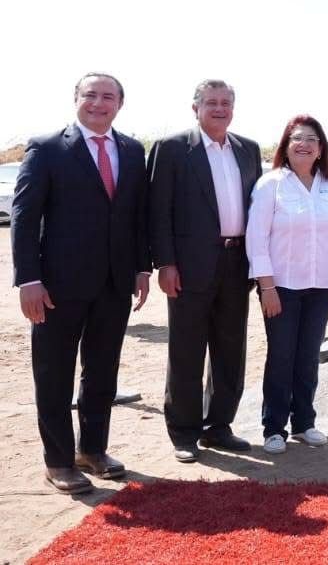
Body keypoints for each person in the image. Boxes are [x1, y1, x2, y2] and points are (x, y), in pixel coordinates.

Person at [11, 73, 150, 493]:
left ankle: (92, 450)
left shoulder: (131, 150)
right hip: (56, 286)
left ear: (119, 105)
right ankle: (58, 461)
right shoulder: (48, 148)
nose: (98, 102)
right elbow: (24, 216)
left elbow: (136, 216)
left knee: (102, 371)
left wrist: (142, 268)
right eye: (90, 94)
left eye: (108, 96)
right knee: (54, 374)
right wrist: (28, 279)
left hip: (113, 283)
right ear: (76, 99)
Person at [147, 79, 262, 462]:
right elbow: (158, 211)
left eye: (226, 102)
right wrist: (165, 263)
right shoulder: (173, 149)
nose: (219, 108)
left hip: (236, 263)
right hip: (189, 266)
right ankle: (184, 432)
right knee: (186, 350)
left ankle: (219, 426)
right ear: (194, 107)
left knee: (231, 349)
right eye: (211, 102)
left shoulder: (248, 150)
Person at [246, 115, 328, 455]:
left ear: (321, 149)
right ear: (286, 147)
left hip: (322, 286)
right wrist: (267, 287)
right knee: (281, 356)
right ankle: (274, 427)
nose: (304, 144)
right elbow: (257, 239)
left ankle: (304, 422)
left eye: (311, 139)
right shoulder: (270, 184)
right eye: (297, 139)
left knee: (308, 357)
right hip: (282, 288)